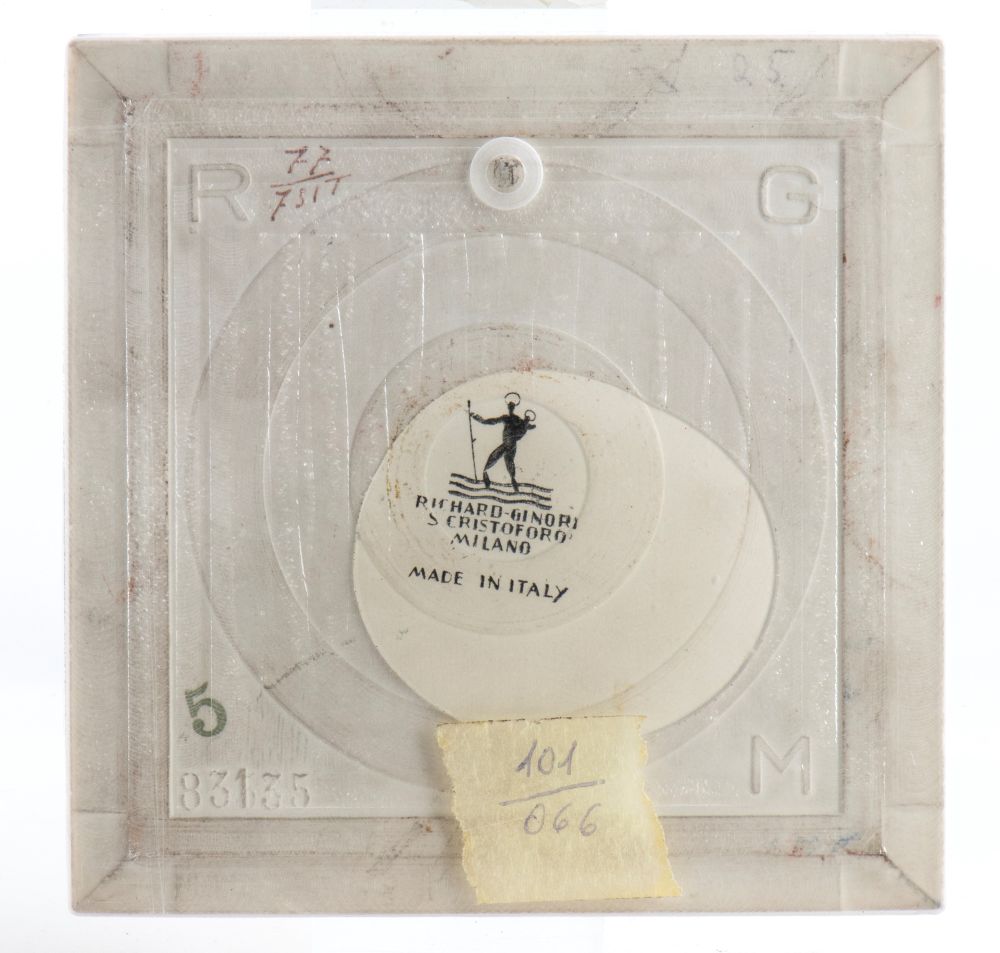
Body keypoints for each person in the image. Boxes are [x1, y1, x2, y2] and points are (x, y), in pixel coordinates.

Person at [470, 393, 536, 491]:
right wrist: (479, 419)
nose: (510, 408)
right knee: (502, 460)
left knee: (502, 460)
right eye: (510, 406)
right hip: (508, 444)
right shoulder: (507, 418)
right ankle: (507, 483)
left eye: (511, 407)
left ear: (513, 408)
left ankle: (511, 483)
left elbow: (527, 428)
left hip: (510, 445)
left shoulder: (517, 420)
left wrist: (527, 423)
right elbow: (492, 421)